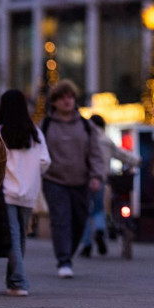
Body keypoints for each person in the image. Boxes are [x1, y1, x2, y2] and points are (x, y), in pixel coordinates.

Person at [41, 79, 106, 279]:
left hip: (81, 181)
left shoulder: (86, 126)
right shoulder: (46, 125)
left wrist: (96, 176)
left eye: (70, 97)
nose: (67, 101)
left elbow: (95, 153)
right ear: (54, 102)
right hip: (54, 180)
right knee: (61, 219)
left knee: (79, 221)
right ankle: (63, 260)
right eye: (62, 98)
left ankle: (68, 252)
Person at [0, 89, 51, 296]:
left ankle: (18, 281)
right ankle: (13, 280)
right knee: (20, 236)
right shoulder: (35, 133)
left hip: (6, 191)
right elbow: (45, 161)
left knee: (13, 235)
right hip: (30, 192)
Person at [79, 114, 140, 258]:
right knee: (99, 209)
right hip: (101, 179)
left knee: (86, 211)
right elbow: (122, 154)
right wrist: (137, 161)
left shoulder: (84, 138)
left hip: (84, 179)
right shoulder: (106, 140)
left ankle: (87, 244)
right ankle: (100, 229)